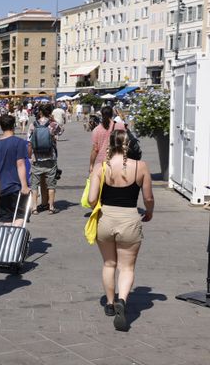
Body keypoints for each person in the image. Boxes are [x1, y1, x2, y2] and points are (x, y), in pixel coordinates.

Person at [88, 130, 154, 331]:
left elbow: (91, 200)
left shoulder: (101, 166)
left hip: (106, 219)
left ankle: (109, 303)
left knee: (109, 263)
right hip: (130, 219)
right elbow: (148, 198)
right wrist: (149, 212)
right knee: (126, 267)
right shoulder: (140, 167)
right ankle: (122, 301)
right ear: (129, 145)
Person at [0, 115, 30, 226]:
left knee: (6, 219)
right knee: (20, 215)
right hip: (15, 186)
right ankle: (15, 240)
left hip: (1, 188)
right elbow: (20, 164)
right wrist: (24, 185)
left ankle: (6, 241)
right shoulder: (19, 142)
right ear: (14, 125)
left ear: (1, 127)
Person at [28, 104, 62, 214]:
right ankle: (51, 207)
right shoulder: (53, 124)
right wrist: (52, 119)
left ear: (40, 112)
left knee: (34, 185)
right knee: (51, 184)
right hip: (50, 158)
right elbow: (61, 131)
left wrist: (30, 157)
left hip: (36, 158)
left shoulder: (33, 125)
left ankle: (34, 208)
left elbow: (29, 142)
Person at [89, 106, 126, 173]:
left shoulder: (96, 130)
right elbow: (126, 143)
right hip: (119, 161)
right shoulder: (121, 126)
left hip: (102, 163)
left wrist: (91, 165)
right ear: (112, 115)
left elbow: (95, 150)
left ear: (102, 115)